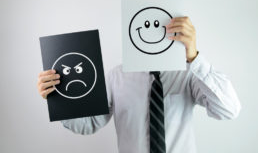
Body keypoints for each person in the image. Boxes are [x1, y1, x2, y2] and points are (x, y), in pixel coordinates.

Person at [36, 17, 241, 153]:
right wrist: (59, 98)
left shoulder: (188, 72)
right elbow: (88, 124)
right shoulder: (116, 76)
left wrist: (194, 56)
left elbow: (228, 110)